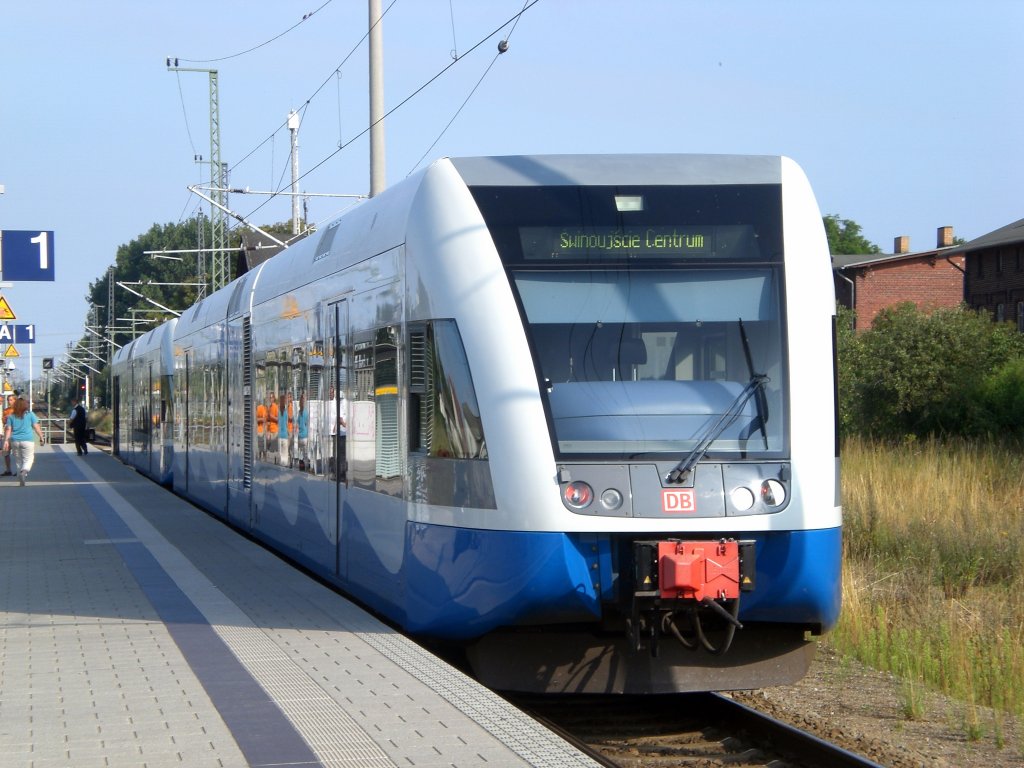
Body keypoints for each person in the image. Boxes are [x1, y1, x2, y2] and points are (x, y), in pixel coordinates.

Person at [3, 397, 45, 486]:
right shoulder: (30, 414)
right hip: (28, 440)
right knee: (29, 459)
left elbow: (8, 429)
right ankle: (24, 472)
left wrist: (6, 441)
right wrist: (41, 436)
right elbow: (36, 427)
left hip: (14, 440)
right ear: (25, 405)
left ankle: (20, 480)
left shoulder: (11, 416)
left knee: (18, 460)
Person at [2, 393, 15, 475]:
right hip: (7, 433)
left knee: (17, 453)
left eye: (11, 400)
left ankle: (19, 470)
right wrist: (5, 419)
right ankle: (8, 470)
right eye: (8, 400)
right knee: (6, 452)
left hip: (16, 433)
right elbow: (3, 421)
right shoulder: (6, 411)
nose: (9, 402)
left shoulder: (19, 411)